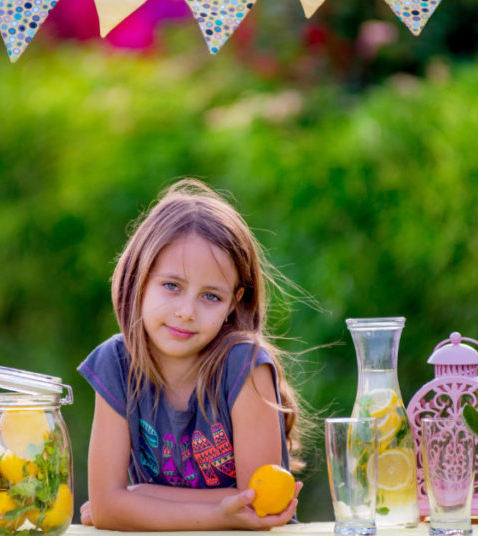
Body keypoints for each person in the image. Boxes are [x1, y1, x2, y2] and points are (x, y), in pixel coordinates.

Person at [77, 179, 307, 531]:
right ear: (138, 278)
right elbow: (107, 507)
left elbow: (258, 505)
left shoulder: (245, 367)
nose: (187, 311)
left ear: (233, 302)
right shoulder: (115, 364)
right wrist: (218, 511)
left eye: (210, 296)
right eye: (172, 286)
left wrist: (142, 494)